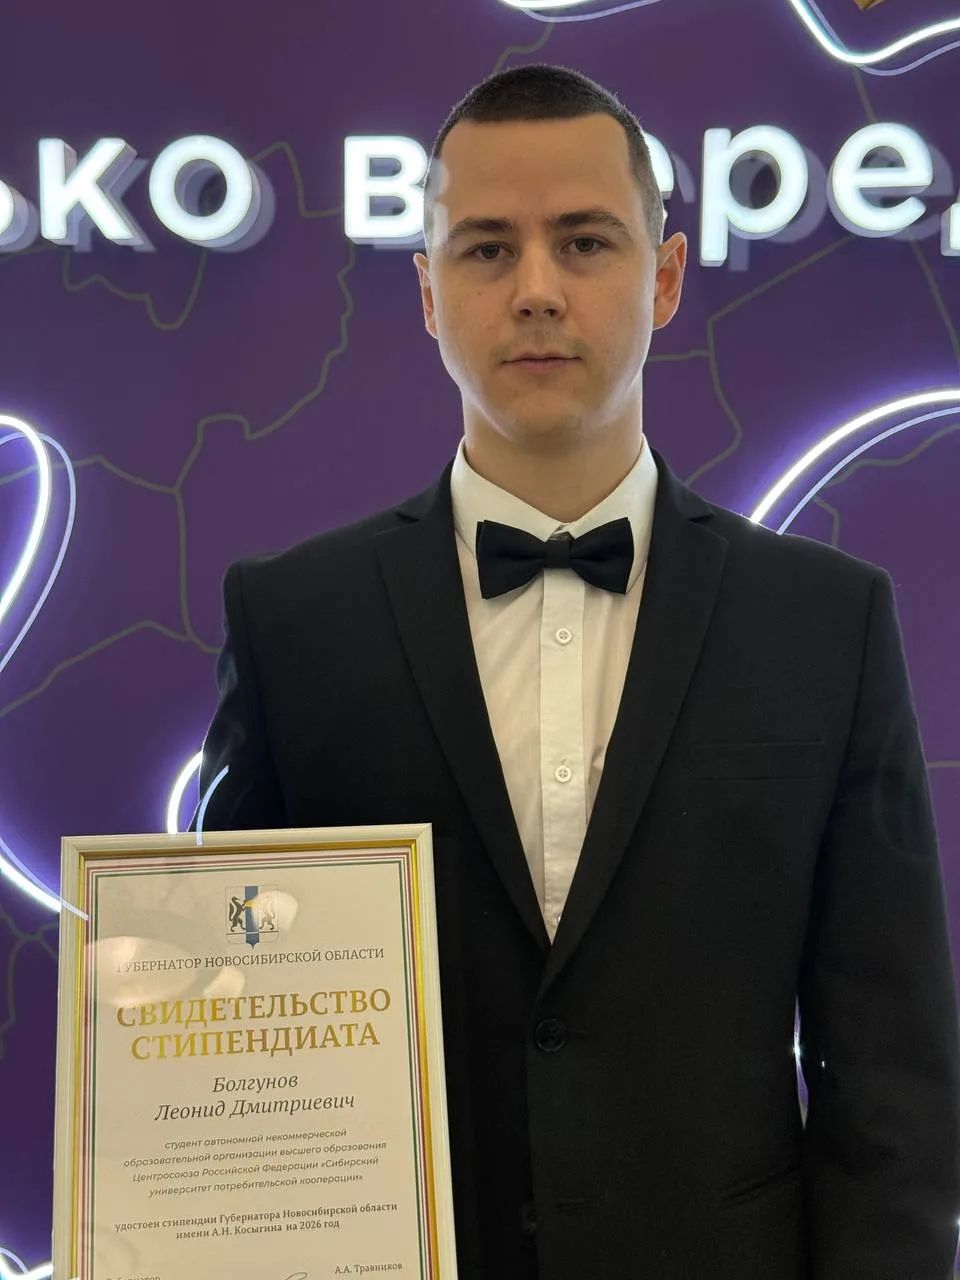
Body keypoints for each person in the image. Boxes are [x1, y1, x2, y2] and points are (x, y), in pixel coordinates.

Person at [194, 63, 960, 1278]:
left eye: (586, 242)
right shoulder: (293, 622)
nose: (538, 289)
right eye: (488, 249)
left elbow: (893, 1072)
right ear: (428, 292)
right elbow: (233, 1021)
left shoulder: (829, 623)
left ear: (665, 277)